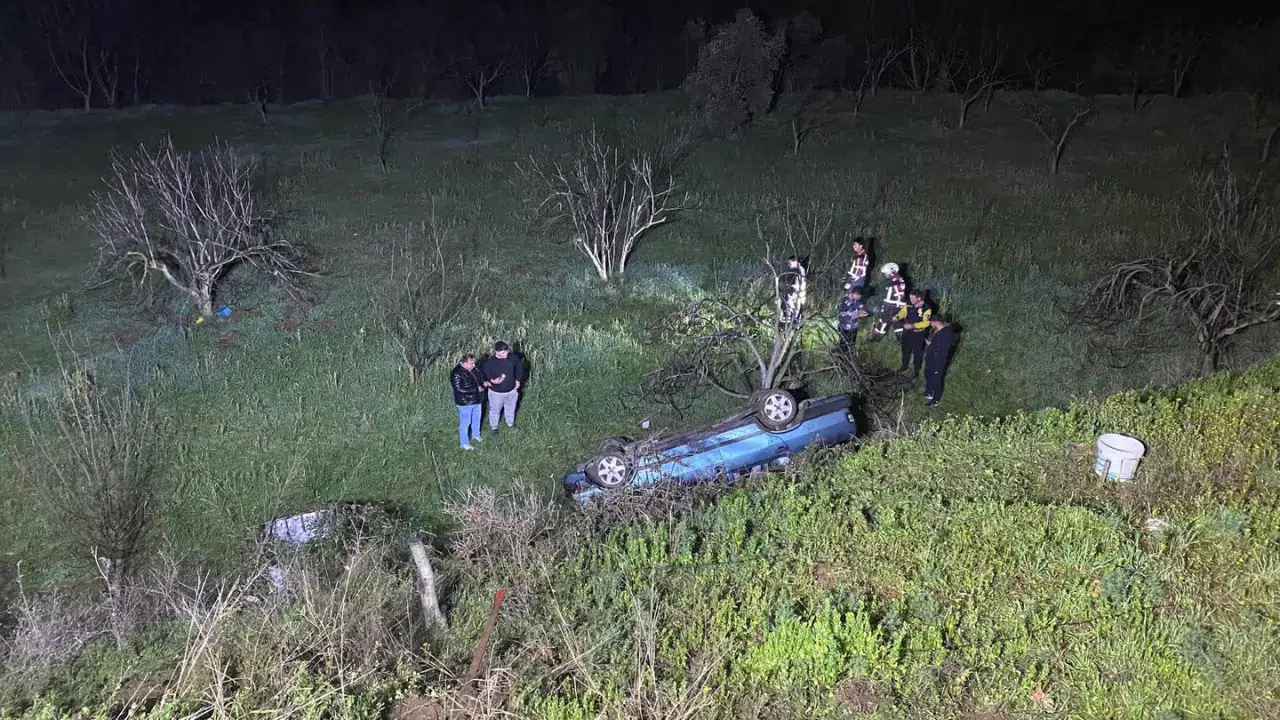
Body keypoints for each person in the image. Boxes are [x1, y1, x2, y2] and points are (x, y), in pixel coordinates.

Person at [480, 341, 524, 433]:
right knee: (495, 410)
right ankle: (494, 427)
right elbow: (484, 376)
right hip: (496, 392)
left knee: (511, 408)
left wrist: (518, 380)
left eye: (506, 351)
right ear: (497, 352)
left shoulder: (512, 358)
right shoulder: (490, 363)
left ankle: (510, 424)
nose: (506, 353)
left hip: (512, 390)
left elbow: (519, 367)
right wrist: (492, 381)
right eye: (503, 352)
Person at [449, 353, 487, 450]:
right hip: (465, 402)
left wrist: (483, 383)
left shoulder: (473, 370)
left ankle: (476, 435)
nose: (474, 365)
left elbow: (480, 379)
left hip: (477, 400)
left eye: (474, 363)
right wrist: (476, 390)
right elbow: (459, 390)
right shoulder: (456, 373)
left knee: (476, 419)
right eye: (471, 363)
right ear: (464, 363)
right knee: (465, 423)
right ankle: (464, 443)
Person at [894, 289, 933, 378]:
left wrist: (913, 325)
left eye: (912, 298)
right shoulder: (909, 303)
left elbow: (926, 323)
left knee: (917, 353)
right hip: (907, 333)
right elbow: (904, 312)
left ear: (919, 298)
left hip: (918, 334)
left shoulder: (927, 308)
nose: (910, 299)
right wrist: (898, 317)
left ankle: (916, 371)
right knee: (905, 350)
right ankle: (904, 366)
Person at [923, 318, 957, 406]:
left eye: (931, 323)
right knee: (928, 374)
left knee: (936, 380)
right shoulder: (940, 332)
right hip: (931, 359)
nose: (931, 325)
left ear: (936, 322)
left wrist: (937, 364)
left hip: (937, 362)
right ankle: (929, 392)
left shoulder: (946, 334)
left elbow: (943, 352)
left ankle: (935, 400)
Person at [870, 263, 906, 340]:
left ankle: (875, 339)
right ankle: (901, 340)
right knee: (898, 324)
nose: (885, 275)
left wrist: (893, 305)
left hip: (891, 306)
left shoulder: (894, 281)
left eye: (886, 273)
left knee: (882, 322)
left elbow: (898, 295)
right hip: (897, 305)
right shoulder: (899, 279)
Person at [837, 286, 868, 355]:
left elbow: (858, 307)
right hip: (845, 329)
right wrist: (857, 315)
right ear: (855, 294)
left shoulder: (855, 301)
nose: (859, 298)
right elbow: (843, 316)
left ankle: (850, 358)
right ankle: (840, 359)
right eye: (859, 297)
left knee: (851, 345)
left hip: (854, 328)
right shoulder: (843, 302)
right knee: (843, 346)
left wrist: (861, 311)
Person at [778, 256, 807, 326]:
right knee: (786, 301)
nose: (789, 265)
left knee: (788, 301)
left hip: (795, 289)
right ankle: (791, 318)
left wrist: (793, 286)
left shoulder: (799, 269)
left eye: (790, 263)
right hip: (793, 289)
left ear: (795, 261)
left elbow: (798, 281)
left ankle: (790, 318)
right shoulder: (796, 270)